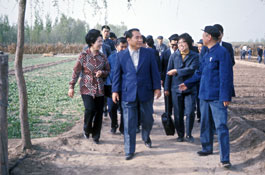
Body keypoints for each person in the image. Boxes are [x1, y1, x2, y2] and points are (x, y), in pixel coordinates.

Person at [179, 26, 233, 168]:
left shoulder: (222, 52)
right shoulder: (205, 52)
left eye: (204, 35)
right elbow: (199, 72)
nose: (202, 37)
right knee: (205, 123)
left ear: (209, 37)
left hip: (217, 97)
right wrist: (188, 83)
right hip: (204, 95)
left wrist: (225, 96)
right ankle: (207, 147)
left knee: (221, 126)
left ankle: (225, 158)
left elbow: (226, 76)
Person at [112, 28, 161, 160]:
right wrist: (115, 91)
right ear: (128, 40)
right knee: (129, 123)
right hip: (128, 93)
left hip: (146, 92)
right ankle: (129, 149)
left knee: (148, 120)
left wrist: (157, 88)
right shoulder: (120, 55)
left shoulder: (149, 53)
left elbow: (155, 71)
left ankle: (146, 136)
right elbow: (117, 75)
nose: (140, 40)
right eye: (137, 37)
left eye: (141, 37)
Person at [68, 29, 110, 144]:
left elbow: (108, 70)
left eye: (101, 41)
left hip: (100, 88)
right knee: (90, 109)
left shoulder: (103, 56)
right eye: (99, 41)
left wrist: (102, 73)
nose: (101, 43)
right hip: (86, 87)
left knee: (99, 113)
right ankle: (87, 128)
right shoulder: (83, 56)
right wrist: (71, 86)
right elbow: (76, 71)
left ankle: (96, 136)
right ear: (92, 42)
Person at [164, 33, 199, 143]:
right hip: (176, 88)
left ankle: (189, 134)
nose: (180, 45)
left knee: (189, 112)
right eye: (179, 43)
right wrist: (166, 88)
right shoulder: (174, 56)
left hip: (189, 88)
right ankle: (180, 134)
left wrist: (177, 71)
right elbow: (168, 73)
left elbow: (192, 69)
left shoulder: (195, 56)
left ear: (188, 43)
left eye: (183, 42)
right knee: (178, 113)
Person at [105, 37, 128, 134]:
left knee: (124, 109)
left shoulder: (130, 58)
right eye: (121, 47)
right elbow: (108, 72)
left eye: (125, 47)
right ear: (116, 46)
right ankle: (114, 124)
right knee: (111, 108)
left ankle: (123, 128)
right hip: (112, 87)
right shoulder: (111, 58)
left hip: (125, 88)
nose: (123, 49)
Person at [160, 34, 179, 117]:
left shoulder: (181, 53)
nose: (174, 46)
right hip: (167, 80)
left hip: (178, 80)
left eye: (176, 45)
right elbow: (161, 67)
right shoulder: (165, 53)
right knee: (168, 99)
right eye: (173, 45)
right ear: (169, 44)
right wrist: (161, 79)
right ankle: (168, 118)